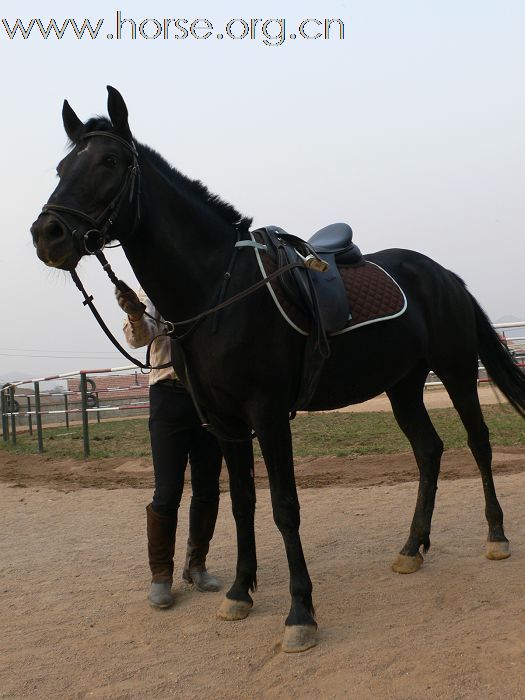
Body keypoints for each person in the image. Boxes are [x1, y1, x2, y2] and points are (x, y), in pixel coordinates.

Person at [116, 283, 223, 608]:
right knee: (167, 492)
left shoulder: (209, 280)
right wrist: (135, 313)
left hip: (208, 394)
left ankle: (197, 564)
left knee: (207, 488)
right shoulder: (152, 286)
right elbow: (138, 338)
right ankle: (161, 574)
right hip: (168, 396)